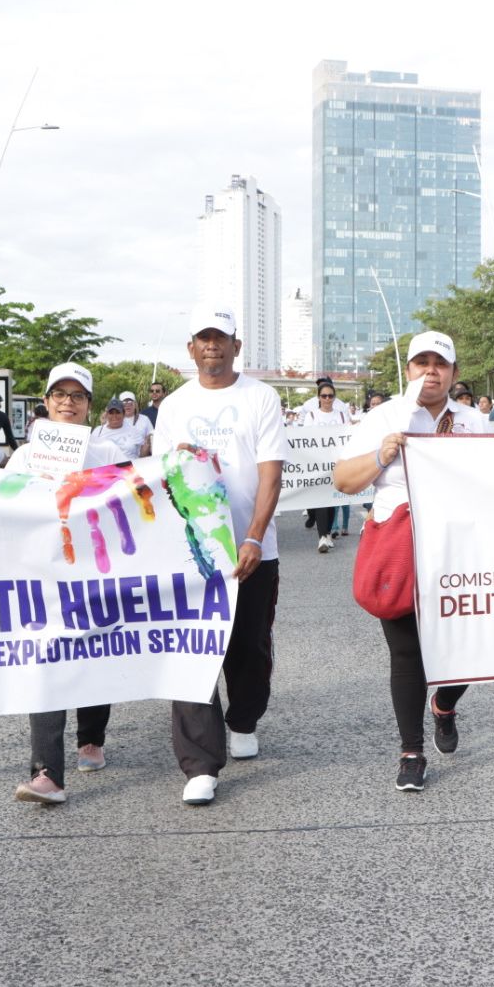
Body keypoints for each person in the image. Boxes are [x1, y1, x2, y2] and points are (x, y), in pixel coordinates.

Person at [331, 331, 489, 791]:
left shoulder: (474, 422)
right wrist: (381, 454)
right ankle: (411, 752)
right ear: (409, 370)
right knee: (406, 653)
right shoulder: (384, 416)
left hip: (459, 549)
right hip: (400, 544)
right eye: (422, 362)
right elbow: (343, 480)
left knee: (471, 646)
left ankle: (445, 704)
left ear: (454, 373)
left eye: (440, 363)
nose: (430, 371)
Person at [153, 307, 289, 805]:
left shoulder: (260, 397)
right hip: (193, 552)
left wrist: (253, 537)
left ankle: (244, 719)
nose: (212, 345)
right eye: (203, 338)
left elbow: (271, 472)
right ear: (191, 348)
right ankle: (200, 764)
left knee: (250, 648)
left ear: (236, 346)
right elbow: (162, 476)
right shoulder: (174, 406)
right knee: (193, 650)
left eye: (221, 338)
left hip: (253, 548)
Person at [12, 363, 131, 806]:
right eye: (59, 394)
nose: (67, 402)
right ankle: (46, 773)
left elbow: (130, 506)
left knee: (94, 657)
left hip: (94, 571)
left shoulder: (107, 453)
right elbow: (1, 504)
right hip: (41, 574)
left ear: (89, 406)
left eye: (77, 396)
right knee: (44, 664)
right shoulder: (25, 456)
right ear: (46, 402)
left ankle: (91, 738)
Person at [298, 381, 353, 552]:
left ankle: (328, 533)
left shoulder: (342, 416)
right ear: (318, 398)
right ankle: (322, 537)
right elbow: (305, 439)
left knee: (331, 501)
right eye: (324, 396)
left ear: (334, 397)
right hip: (317, 464)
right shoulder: (312, 416)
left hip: (337, 464)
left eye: (330, 396)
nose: (327, 399)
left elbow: (348, 436)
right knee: (320, 499)